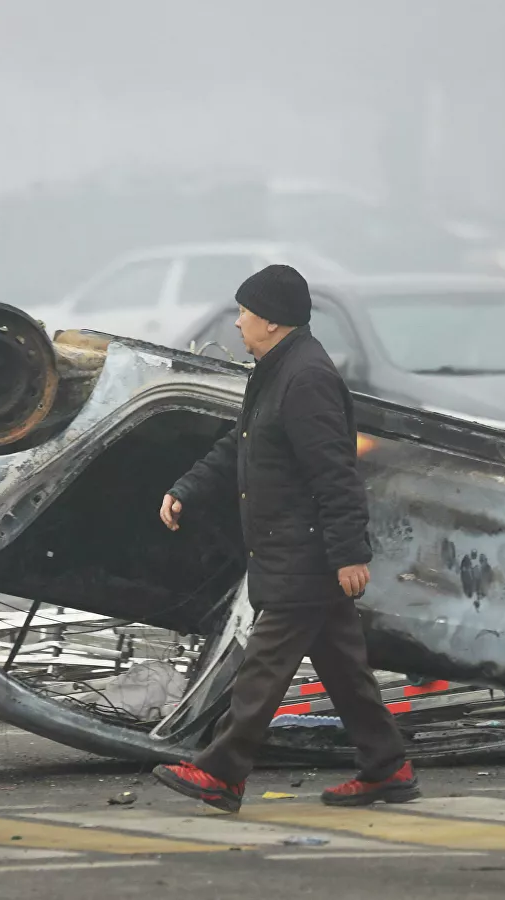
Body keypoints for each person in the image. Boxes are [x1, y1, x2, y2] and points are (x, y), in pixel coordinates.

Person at [152, 264, 418, 813]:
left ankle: (222, 772)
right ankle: (388, 767)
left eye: (245, 313)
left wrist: (348, 554)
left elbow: (334, 472)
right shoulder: (275, 371)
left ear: (272, 321)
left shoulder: (306, 378)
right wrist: (187, 488)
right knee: (344, 670)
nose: (239, 324)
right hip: (292, 547)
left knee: (263, 668)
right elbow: (240, 446)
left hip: (307, 552)